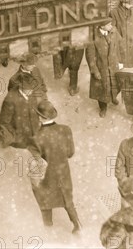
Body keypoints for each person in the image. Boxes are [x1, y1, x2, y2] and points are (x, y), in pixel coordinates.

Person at [27, 100, 81, 234]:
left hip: (47, 176)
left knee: (44, 201)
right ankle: (77, 225)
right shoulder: (65, 130)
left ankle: (48, 227)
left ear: (40, 118)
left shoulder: (36, 138)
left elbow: (37, 161)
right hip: (63, 172)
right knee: (67, 200)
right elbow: (70, 153)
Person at [86, 18, 124, 117]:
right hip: (101, 68)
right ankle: (103, 108)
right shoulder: (93, 38)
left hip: (113, 65)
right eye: (108, 25)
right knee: (101, 90)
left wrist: (120, 61)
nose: (111, 26)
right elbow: (90, 57)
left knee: (115, 84)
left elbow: (120, 44)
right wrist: (95, 71)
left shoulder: (114, 31)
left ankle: (113, 97)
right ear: (102, 27)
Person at [0, 72, 40, 149]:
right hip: (19, 135)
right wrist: (16, 136)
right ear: (22, 87)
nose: (32, 91)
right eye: (30, 89)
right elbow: (4, 122)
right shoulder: (10, 100)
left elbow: (35, 108)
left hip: (32, 131)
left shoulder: (30, 92)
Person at [110, 0, 133, 68]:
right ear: (123, 4)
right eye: (130, 4)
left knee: (131, 55)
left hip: (131, 37)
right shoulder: (114, 12)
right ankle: (123, 70)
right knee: (122, 55)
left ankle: (130, 67)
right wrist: (118, 37)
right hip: (121, 38)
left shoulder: (132, 9)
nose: (131, 5)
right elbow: (112, 27)